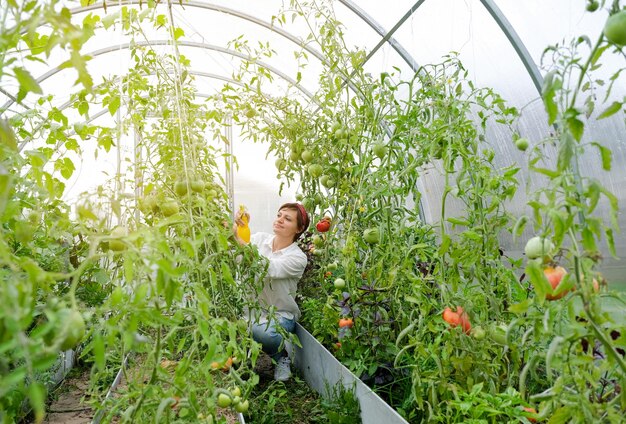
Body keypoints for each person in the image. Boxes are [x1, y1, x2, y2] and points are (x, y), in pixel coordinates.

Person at [233, 202, 309, 381]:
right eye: (279, 215)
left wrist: (238, 239)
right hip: (250, 311)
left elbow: (266, 268)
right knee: (241, 327)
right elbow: (238, 259)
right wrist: (237, 233)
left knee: (266, 334)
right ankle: (245, 352)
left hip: (279, 316)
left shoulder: (298, 257)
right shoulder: (259, 239)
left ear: (298, 228)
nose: (280, 220)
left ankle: (281, 355)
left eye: (287, 218)